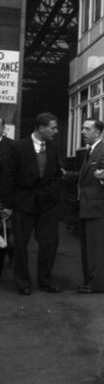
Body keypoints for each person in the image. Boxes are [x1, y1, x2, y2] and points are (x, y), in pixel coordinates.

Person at [2, 112, 64, 295]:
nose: (56, 131)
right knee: (21, 245)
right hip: (23, 203)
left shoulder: (53, 147)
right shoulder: (18, 147)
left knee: (49, 243)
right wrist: (8, 205)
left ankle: (45, 280)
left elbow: (55, 173)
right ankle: (23, 283)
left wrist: (54, 193)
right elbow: (8, 177)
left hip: (48, 204)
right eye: (53, 128)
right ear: (41, 128)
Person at [77, 119, 104, 294]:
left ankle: (96, 285)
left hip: (96, 208)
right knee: (89, 248)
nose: (83, 132)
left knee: (96, 249)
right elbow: (85, 176)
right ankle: (90, 282)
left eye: (87, 129)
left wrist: (103, 175)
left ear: (98, 133)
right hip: (89, 207)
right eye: (83, 128)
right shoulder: (90, 151)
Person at [0, 117, 14, 276]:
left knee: (1, 238)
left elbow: (12, 178)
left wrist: (9, 205)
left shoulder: (11, 147)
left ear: (3, 128)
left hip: (2, 201)